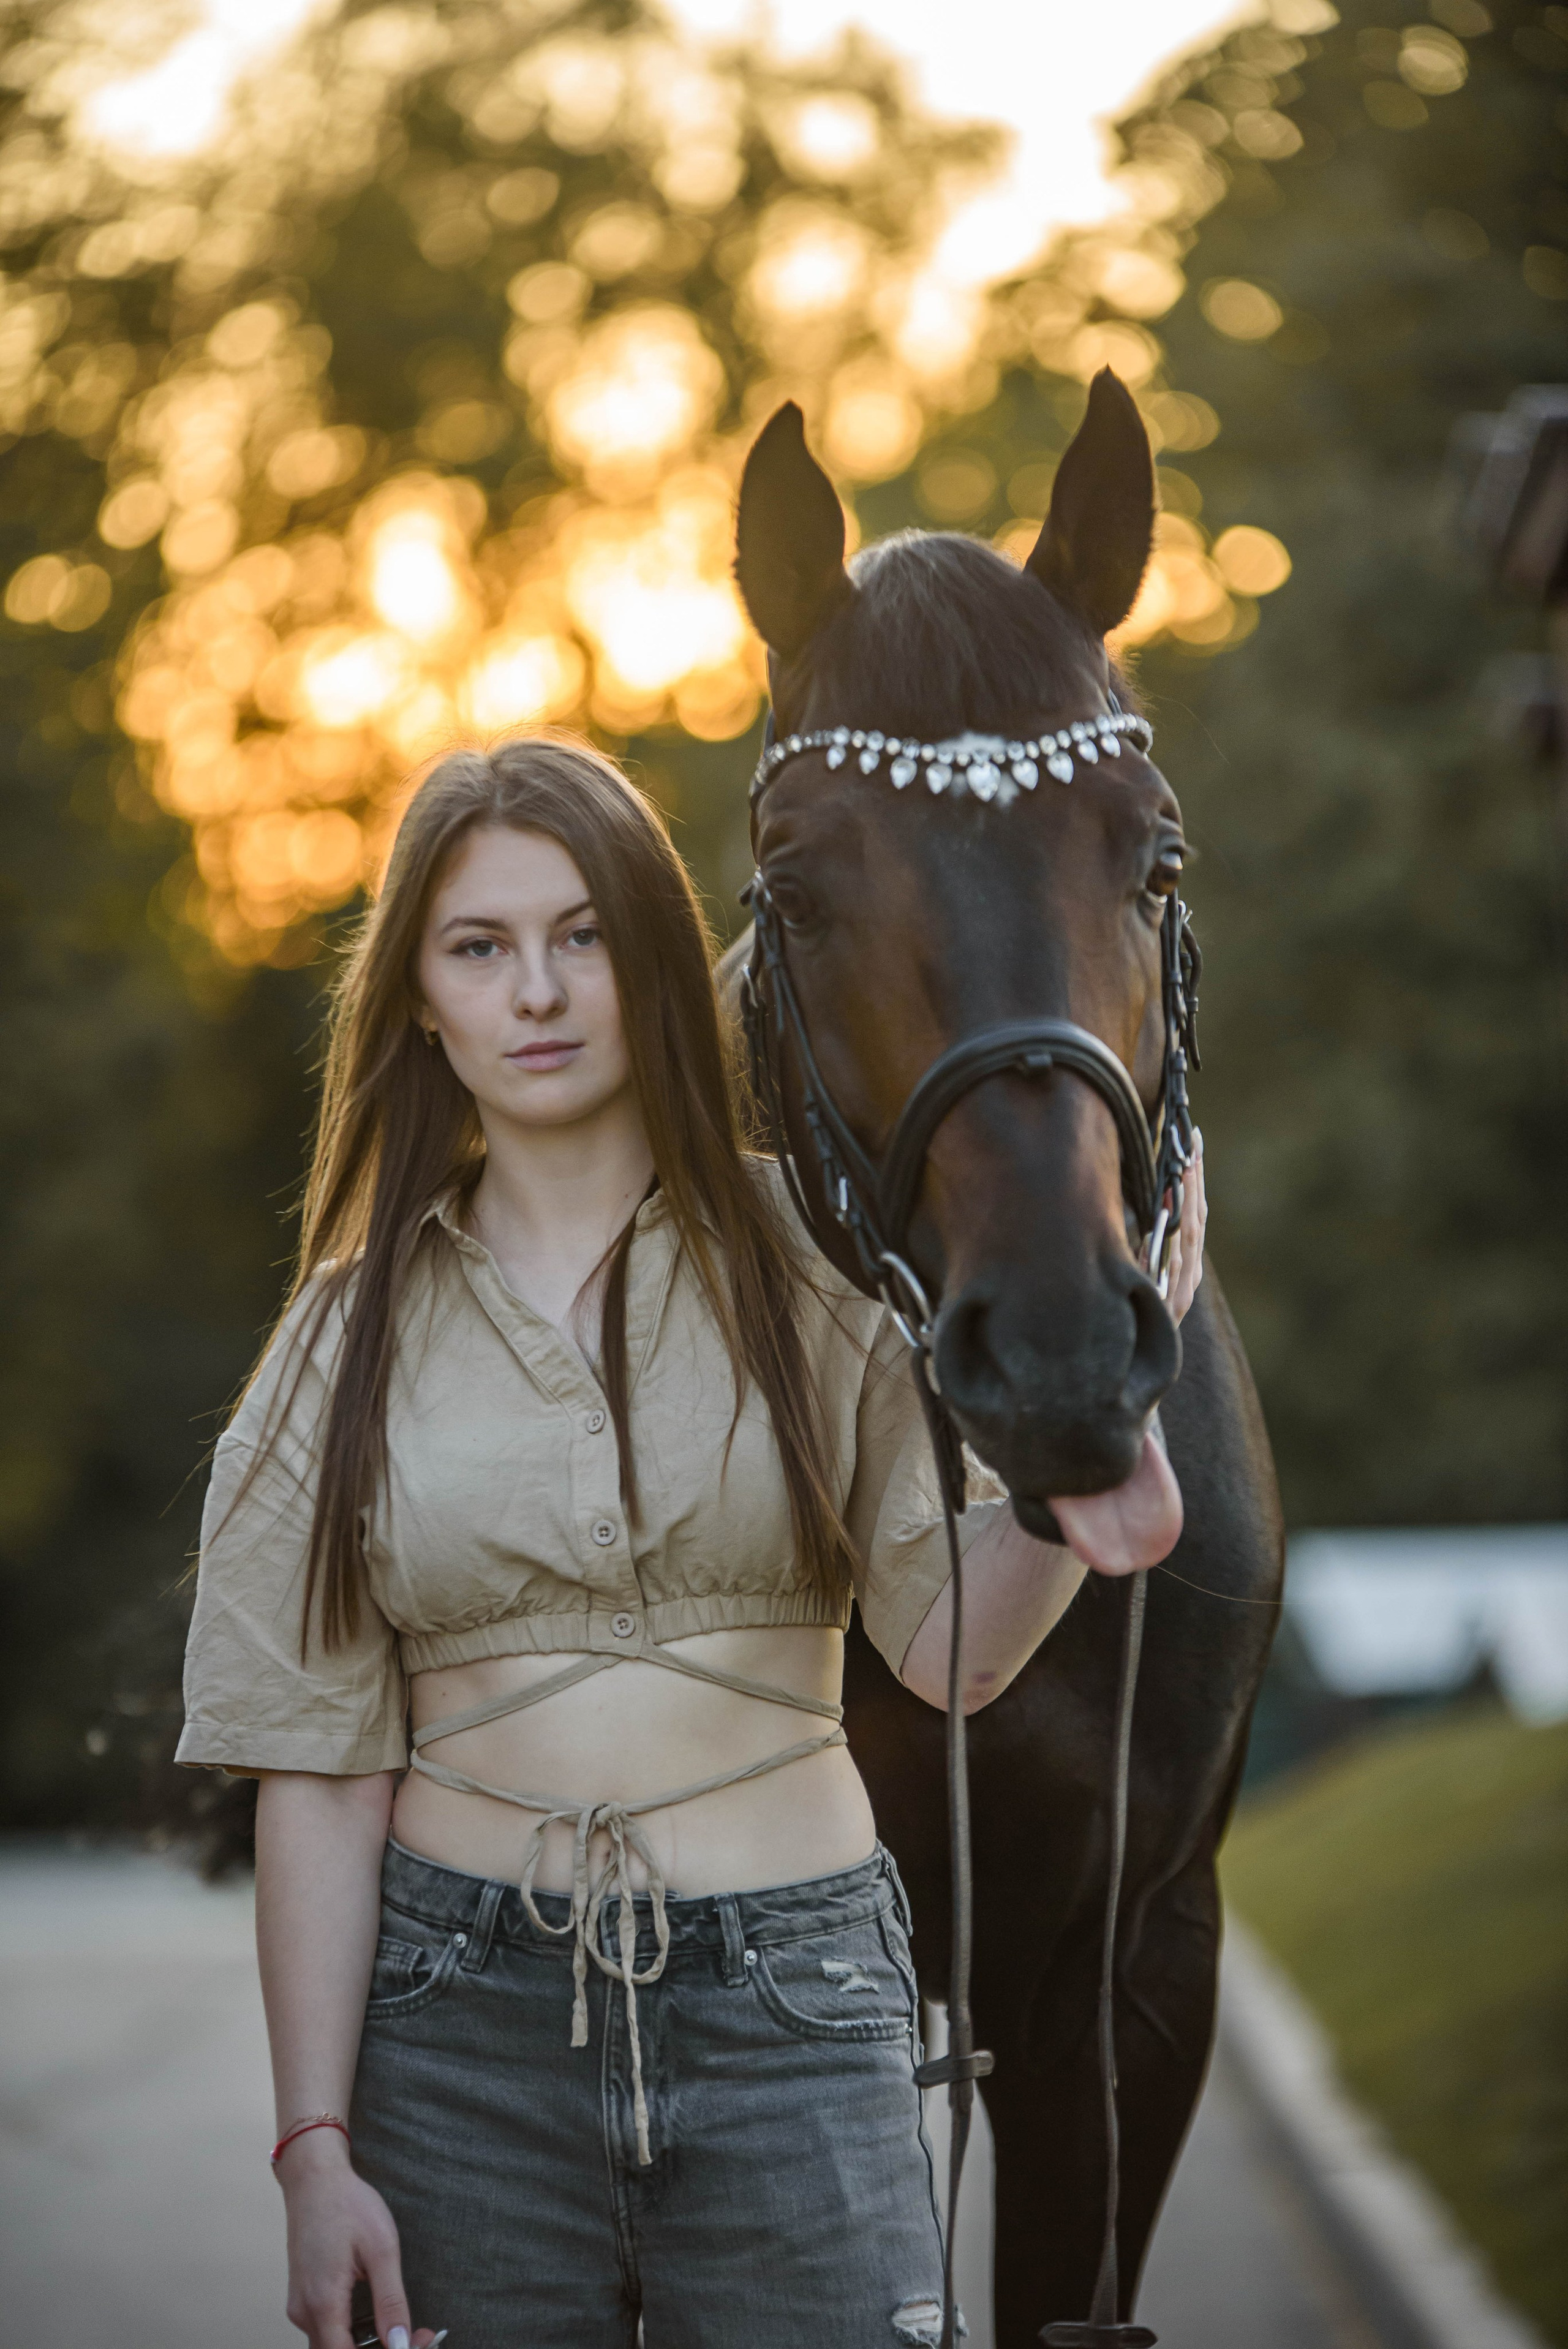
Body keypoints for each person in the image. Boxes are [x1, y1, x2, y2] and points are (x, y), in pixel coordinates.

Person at [178, 735, 1205, 2349]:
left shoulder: (816, 1264)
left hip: (797, 2009)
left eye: (582, 934)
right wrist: (316, 2152)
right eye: (480, 946)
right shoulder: (338, 1340)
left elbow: (950, 1651)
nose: (536, 989)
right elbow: (320, 1772)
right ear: (422, 998)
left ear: (654, 957)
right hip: (457, 2042)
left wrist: (1079, 1474)